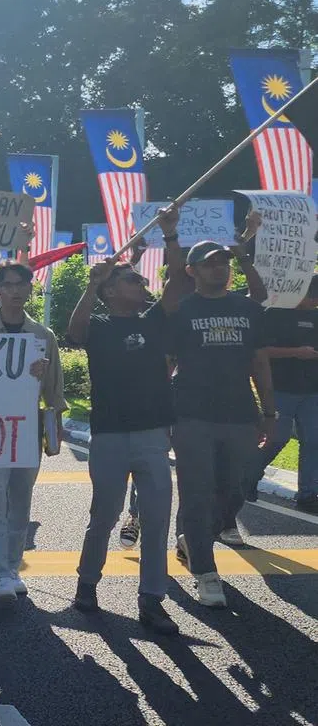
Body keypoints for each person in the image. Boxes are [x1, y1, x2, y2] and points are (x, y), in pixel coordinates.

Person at [66, 207, 187, 634]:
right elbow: (74, 331)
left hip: (153, 433)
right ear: (112, 292)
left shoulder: (154, 321)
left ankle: (152, 599)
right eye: (132, 280)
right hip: (111, 435)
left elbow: (179, 284)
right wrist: (91, 283)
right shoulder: (98, 325)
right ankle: (87, 583)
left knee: (156, 518)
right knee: (105, 515)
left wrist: (171, 236)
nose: (142, 283)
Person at [167, 240, 275, 608]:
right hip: (191, 413)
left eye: (224, 263)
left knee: (237, 488)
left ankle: (193, 541)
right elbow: (166, 363)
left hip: (240, 413)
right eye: (210, 263)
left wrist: (270, 411)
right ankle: (206, 570)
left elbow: (259, 361)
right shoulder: (181, 310)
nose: (220, 268)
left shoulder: (247, 309)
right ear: (192, 270)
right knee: (197, 493)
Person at [0, 262, 63, 605]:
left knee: (20, 500)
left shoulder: (42, 336)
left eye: (20, 284)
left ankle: (11, 566)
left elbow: (54, 393)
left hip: (26, 429)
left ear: (30, 289)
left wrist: (54, 431)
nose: (14, 291)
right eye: (7, 285)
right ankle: (1, 572)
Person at [248, 275, 318, 514]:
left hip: (312, 391)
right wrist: (296, 352)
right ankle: (248, 477)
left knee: (313, 442)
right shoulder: (274, 315)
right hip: (280, 388)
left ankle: (308, 494)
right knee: (276, 438)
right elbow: (261, 351)